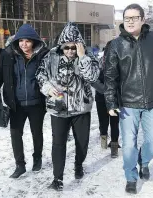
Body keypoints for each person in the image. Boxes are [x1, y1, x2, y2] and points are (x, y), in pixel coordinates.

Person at [104, 3, 153, 194]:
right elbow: (110, 76)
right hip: (128, 104)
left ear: (143, 19)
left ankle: (144, 160)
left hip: (152, 101)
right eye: (127, 18)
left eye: (134, 18)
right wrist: (110, 102)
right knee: (128, 145)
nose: (130, 21)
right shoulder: (116, 45)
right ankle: (131, 177)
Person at [36, 22, 99, 191]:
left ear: (79, 45)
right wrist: (48, 89)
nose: (70, 51)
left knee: (82, 143)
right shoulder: (51, 57)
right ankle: (58, 178)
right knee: (58, 143)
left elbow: (92, 76)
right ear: (61, 46)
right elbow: (40, 75)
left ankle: (78, 164)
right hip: (58, 108)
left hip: (81, 108)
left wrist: (82, 56)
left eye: (73, 47)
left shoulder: (88, 57)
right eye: (66, 47)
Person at [0, 24, 49, 178]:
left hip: (37, 103)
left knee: (37, 133)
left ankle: (37, 158)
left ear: (34, 42)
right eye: (21, 40)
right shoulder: (8, 54)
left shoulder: (43, 55)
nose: (24, 44)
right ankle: (20, 165)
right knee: (15, 134)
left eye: (28, 41)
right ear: (17, 41)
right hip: (16, 104)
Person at [91, 40, 120, 158]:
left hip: (114, 98)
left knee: (113, 122)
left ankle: (113, 147)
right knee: (105, 122)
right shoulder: (99, 63)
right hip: (103, 97)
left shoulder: (121, 63)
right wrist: (105, 90)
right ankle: (105, 142)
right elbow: (93, 80)